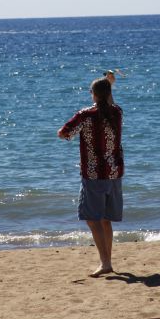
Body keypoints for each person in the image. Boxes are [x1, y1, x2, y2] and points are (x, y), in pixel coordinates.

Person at [57, 77, 124, 277]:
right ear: (109, 94)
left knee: (92, 219)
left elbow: (64, 133)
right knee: (105, 219)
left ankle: (105, 263)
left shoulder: (86, 115)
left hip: (94, 174)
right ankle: (107, 261)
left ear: (93, 94)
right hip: (114, 172)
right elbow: (109, 103)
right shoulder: (117, 112)